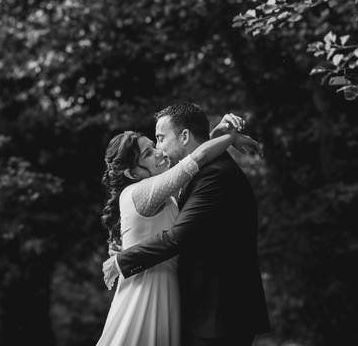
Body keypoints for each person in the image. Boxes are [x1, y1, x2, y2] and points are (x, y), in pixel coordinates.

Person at [103, 103, 270, 346]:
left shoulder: (214, 176)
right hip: (194, 307)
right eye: (150, 150)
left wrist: (122, 260)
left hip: (220, 314)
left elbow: (177, 237)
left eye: (160, 139)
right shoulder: (193, 175)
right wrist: (225, 137)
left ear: (184, 136)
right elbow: (196, 157)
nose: (159, 149)